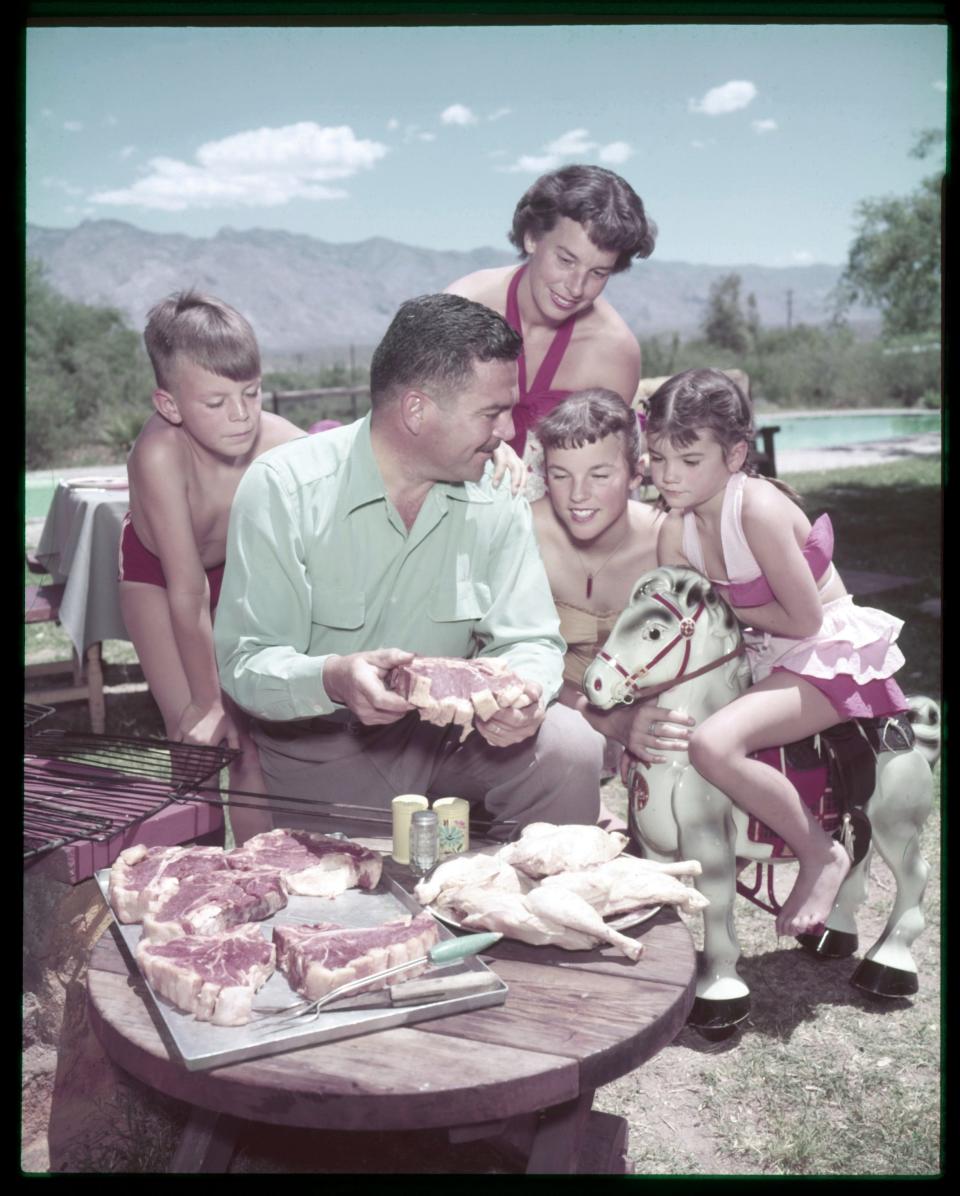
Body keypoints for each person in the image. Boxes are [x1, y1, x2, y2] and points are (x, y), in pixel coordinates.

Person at [213, 293, 604, 838]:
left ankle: (543, 913)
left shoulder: (497, 486)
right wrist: (331, 678)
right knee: (358, 902)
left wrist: (527, 696)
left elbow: (532, 639)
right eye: (491, 414)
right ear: (417, 410)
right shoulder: (285, 488)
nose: (510, 433)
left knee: (572, 747)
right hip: (327, 749)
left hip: (458, 737)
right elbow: (246, 663)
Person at [648, 368, 909, 937]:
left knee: (712, 742)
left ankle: (820, 853)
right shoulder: (674, 532)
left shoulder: (756, 509)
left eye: (689, 461)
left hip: (828, 655)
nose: (669, 475)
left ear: (736, 454)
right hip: (766, 656)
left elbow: (804, 619)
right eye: (658, 457)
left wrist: (719, 604)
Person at [120, 291, 306, 844]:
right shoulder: (158, 454)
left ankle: (260, 874)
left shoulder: (277, 438)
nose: (241, 415)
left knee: (246, 742)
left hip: (232, 576)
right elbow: (186, 591)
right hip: (160, 579)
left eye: (251, 393)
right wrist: (206, 699)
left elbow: (372, 457)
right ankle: (189, 866)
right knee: (194, 736)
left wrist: (496, 451)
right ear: (170, 405)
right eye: (217, 401)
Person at [445, 163, 657, 490]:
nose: (575, 287)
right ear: (532, 237)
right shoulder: (463, 305)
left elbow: (604, 480)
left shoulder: (615, 352)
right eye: (566, 260)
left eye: (598, 273)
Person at [531, 389, 694, 783]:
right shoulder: (524, 533)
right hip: (547, 716)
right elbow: (504, 662)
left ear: (638, 473)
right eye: (560, 475)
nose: (578, 495)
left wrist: (647, 724)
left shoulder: (667, 540)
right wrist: (609, 722)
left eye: (600, 475)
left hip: (647, 715)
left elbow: (690, 657)